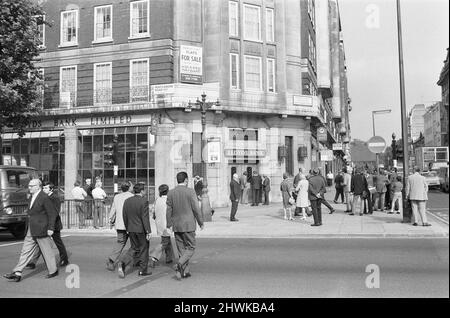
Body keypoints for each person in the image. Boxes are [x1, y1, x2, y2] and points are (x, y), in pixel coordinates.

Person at [3, 179, 58, 282]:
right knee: (25, 251)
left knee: (47, 252)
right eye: (29, 186)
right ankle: (17, 272)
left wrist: (51, 228)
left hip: (42, 229)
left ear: (38, 186)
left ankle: (53, 271)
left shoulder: (44, 197)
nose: (29, 187)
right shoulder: (32, 196)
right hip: (32, 228)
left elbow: (52, 214)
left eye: (32, 186)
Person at [166, 172, 204, 280]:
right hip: (188, 224)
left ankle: (185, 271)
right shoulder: (190, 192)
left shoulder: (171, 193)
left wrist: (169, 224)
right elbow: (196, 208)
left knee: (181, 249)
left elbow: (168, 210)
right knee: (191, 247)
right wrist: (201, 222)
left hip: (177, 225)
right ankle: (179, 264)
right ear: (186, 180)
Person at [27, 182, 69, 269]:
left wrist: (51, 226)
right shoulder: (44, 197)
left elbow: (55, 212)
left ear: (51, 189)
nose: (44, 189)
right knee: (40, 244)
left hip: (54, 225)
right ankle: (33, 262)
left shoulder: (54, 197)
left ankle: (64, 259)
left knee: (58, 243)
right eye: (44, 188)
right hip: (44, 225)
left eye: (46, 188)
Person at [117, 183, 152, 278]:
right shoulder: (144, 201)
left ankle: (123, 262)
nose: (145, 192)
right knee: (144, 248)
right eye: (144, 190)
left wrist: (127, 227)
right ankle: (142, 270)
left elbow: (124, 215)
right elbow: (145, 218)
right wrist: (148, 231)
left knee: (134, 247)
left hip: (131, 228)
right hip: (141, 229)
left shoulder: (127, 201)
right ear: (141, 191)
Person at [106, 182, 134, 271]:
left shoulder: (117, 197)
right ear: (129, 188)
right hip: (131, 224)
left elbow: (113, 209)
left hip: (120, 224)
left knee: (120, 242)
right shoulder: (132, 196)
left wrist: (110, 219)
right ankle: (129, 260)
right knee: (135, 244)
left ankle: (111, 260)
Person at [149, 184, 174, 268]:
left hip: (159, 224)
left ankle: (169, 257)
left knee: (167, 240)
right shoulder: (169, 200)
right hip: (167, 224)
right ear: (168, 191)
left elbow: (153, 212)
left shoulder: (157, 200)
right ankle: (153, 257)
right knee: (164, 242)